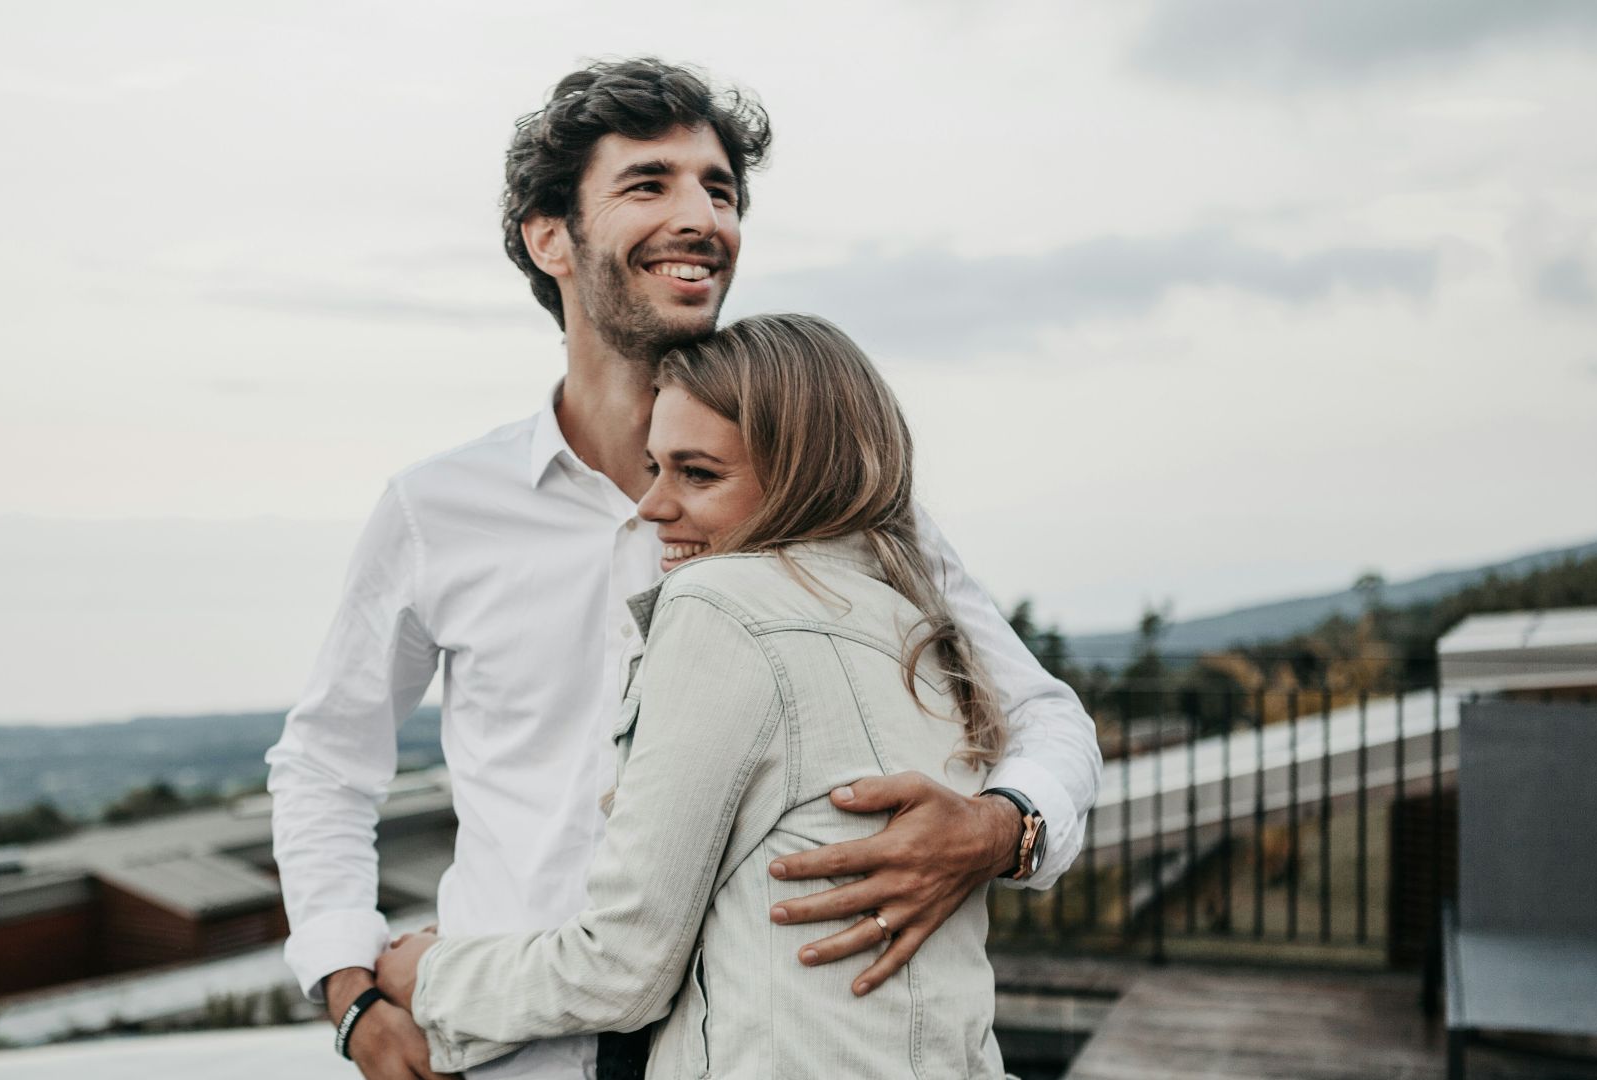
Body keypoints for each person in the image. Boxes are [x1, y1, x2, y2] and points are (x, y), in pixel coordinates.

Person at [266, 58, 1100, 1080]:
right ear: (549, 237)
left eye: (721, 190)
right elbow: (326, 762)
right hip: (501, 1049)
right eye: (649, 183)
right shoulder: (436, 508)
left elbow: (1044, 715)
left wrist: (1000, 829)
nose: (702, 217)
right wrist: (349, 991)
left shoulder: (834, 503)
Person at [373, 312, 1021, 1079]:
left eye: (699, 474)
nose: (651, 506)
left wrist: (428, 976)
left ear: (804, 474)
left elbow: (622, 968)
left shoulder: (719, 605)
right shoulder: (921, 626)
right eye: (655, 468)